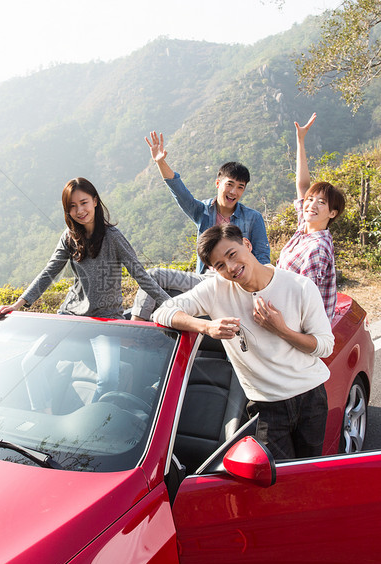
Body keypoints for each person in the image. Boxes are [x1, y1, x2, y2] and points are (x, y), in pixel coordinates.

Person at [152, 224, 333, 460]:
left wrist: (282, 330)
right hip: (265, 405)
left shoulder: (299, 287)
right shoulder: (215, 289)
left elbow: (325, 346)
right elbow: (162, 312)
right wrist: (207, 327)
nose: (230, 268)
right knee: (274, 483)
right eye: (219, 266)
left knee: (309, 473)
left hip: (310, 397)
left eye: (232, 255)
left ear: (246, 244)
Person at [0, 177, 170, 410]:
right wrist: (18, 304)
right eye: (72, 207)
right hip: (71, 316)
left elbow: (141, 275)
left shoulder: (113, 237)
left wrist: (173, 305)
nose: (80, 210)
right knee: (31, 363)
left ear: (95, 201)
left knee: (109, 379)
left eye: (84, 202)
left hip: (106, 320)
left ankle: (90, 422)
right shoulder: (69, 237)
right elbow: (49, 272)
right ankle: (44, 413)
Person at [130, 131, 271, 321]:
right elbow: (180, 193)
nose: (234, 191)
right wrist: (160, 162)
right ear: (218, 183)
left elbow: (263, 259)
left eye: (240, 187)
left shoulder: (253, 218)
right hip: (204, 280)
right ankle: (136, 329)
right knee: (153, 276)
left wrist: (255, 293)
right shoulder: (204, 211)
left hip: (235, 281)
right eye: (230, 184)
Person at [276, 113, 346, 320]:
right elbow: (303, 186)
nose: (311, 204)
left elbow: (304, 301)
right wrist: (300, 140)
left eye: (321, 202)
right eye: (310, 199)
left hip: (299, 325)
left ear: (332, 213)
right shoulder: (305, 227)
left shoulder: (317, 249)